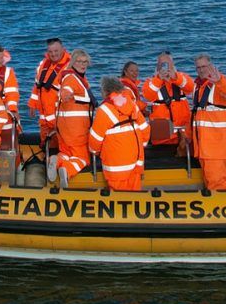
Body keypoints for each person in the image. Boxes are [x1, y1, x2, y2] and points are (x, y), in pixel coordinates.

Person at [89, 77, 152, 192]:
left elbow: (95, 140)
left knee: (119, 198)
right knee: (135, 193)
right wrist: (139, 146)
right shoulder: (132, 104)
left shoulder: (104, 110)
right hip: (136, 160)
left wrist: (95, 152)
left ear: (104, 91)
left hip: (117, 163)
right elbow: (145, 129)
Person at [191, 53, 226, 191]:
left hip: (219, 146)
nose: (201, 70)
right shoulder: (199, 86)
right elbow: (196, 115)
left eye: (204, 66)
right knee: (210, 180)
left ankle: (221, 206)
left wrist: (219, 81)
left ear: (211, 66)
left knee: (217, 184)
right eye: (198, 67)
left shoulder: (219, 83)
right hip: (206, 146)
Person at [51, 49, 94, 186]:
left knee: (67, 152)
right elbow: (67, 90)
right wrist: (65, 95)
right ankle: (67, 170)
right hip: (76, 129)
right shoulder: (71, 78)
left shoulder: (74, 78)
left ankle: (56, 161)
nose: (83, 64)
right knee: (83, 157)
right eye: (79, 61)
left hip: (64, 128)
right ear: (73, 62)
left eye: (85, 61)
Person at [141, 51, 195, 149]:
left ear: (173, 64)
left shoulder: (181, 78)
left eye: (168, 63)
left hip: (183, 134)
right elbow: (147, 95)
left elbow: (191, 88)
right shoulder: (151, 81)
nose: (165, 67)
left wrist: (175, 77)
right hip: (162, 135)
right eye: (162, 64)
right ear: (157, 66)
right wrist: (159, 79)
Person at [29, 37, 70, 148]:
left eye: (56, 51)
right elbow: (37, 85)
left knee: (62, 146)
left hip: (60, 117)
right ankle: (47, 160)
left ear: (63, 49)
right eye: (50, 51)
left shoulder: (69, 67)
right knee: (45, 144)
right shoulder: (43, 64)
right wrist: (32, 104)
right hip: (44, 117)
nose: (53, 54)